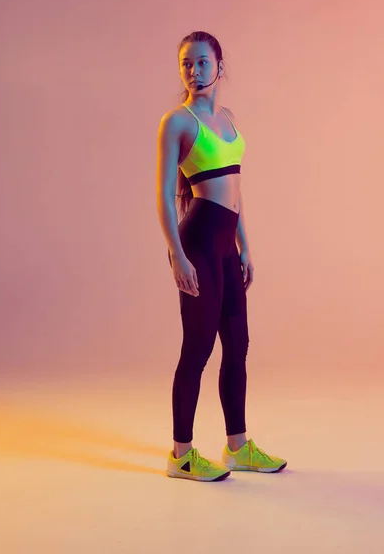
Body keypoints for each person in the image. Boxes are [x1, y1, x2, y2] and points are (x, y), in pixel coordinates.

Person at [156, 30, 287, 482]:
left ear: (220, 66)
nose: (194, 71)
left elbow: (235, 188)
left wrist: (246, 243)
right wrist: (176, 254)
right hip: (198, 245)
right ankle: (181, 454)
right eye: (186, 64)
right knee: (197, 348)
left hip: (227, 246)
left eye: (202, 62)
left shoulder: (228, 118)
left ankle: (237, 446)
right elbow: (164, 194)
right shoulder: (178, 121)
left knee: (238, 343)